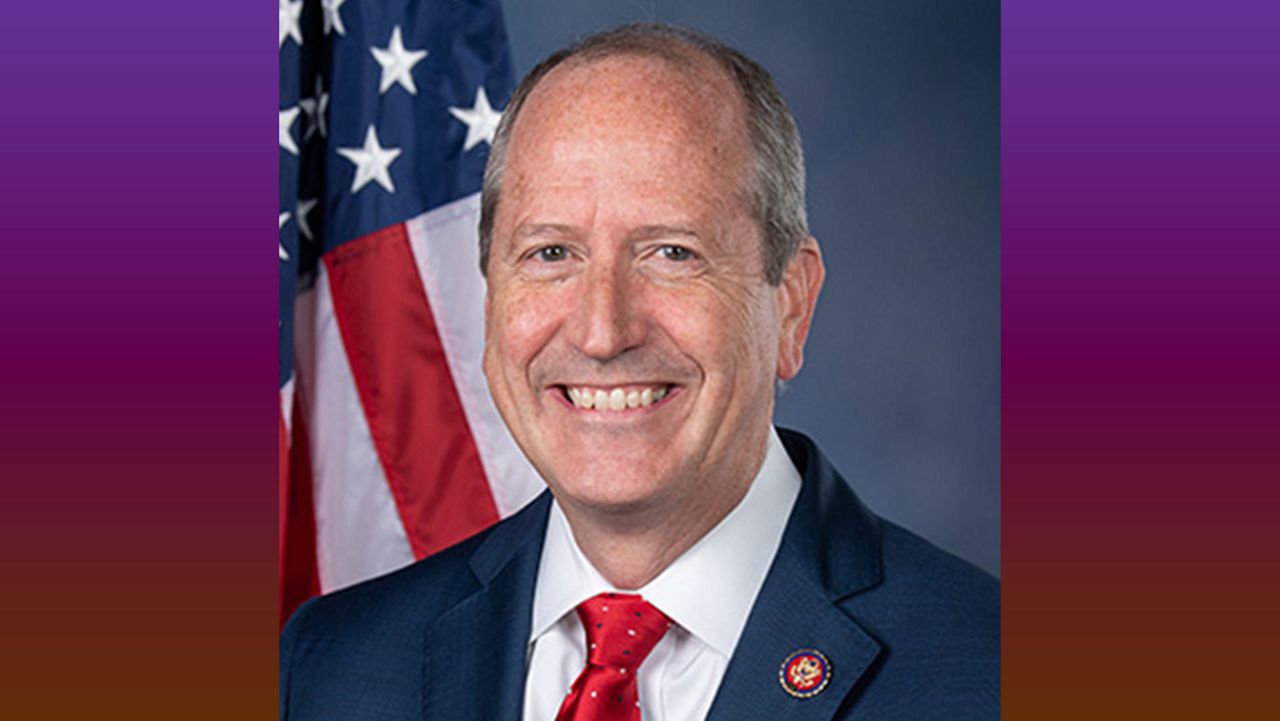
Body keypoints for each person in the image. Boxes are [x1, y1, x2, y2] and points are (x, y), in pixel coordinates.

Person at [281, 23, 998, 720]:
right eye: (551, 253)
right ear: (491, 294)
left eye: (671, 253)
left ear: (791, 304)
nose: (603, 332)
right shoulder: (331, 667)